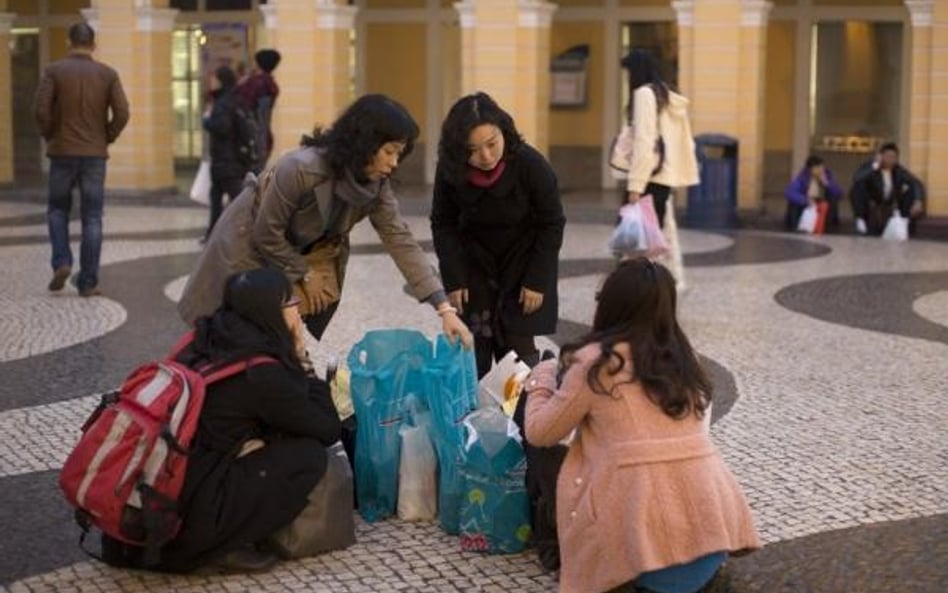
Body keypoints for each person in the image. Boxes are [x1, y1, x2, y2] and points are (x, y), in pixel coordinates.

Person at [524, 258, 760, 593]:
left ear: (610, 305)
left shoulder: (597, 363)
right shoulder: (684, 358)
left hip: (641, 563)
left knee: (554, 464)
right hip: (710, 542)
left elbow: (540, 431)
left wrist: (541, 379)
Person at [178, 93, 472, 349]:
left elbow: (400, 240)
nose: (394, 162)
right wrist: (297, 284)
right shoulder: (300, 169)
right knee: (227, 334)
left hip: (288, 256)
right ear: (365, 143)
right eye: (389, 151)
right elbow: (266, 234)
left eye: (399, 153)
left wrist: (443, 308)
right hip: (246, 245)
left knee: (277, 343)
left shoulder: (375, 185)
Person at [102, 268, 342, 573]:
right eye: (291, 301)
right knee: (306, 456)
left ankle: (207, 532)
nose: (298, 307)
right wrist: (301, 356)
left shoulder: (202, 339)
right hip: (188, 514)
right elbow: (327, 429)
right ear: (273, 312)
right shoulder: (261, 373)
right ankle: (215, 546)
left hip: (156, 493)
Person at [430, 92, 565, 378]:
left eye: (492, 144)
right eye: (473, 149)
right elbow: (443, 223)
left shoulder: (531, 164)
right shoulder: (450, 171)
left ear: (504, 132)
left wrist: (537, 280)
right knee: (473, 346)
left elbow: (552, 223)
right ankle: (472, 415)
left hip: (523, 261)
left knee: (516, 346)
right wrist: (454, 277)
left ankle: (518, 416)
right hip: (474, 263)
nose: (486, 156)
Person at [33, 21, 129, 297]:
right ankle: (88, 282)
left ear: (68, 42)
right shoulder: (108, 74)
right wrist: (106, 137)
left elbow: (40, 109)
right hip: (94, 156)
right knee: (92, 217)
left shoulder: (54, 71)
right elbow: (122, 112)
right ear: (93, 44)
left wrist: (51, 134)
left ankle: (62, 262)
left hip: (62, 152)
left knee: (57, 210)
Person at [619, 49, 699, 228]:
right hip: (664, 178)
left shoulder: (644, 95)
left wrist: (636, 186)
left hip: (649, 178)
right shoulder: (665, 94)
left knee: (631, 243)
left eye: (629, 72)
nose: (627, 78)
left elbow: (645, 141)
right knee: (652, 242)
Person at [202, 66, 252, 241]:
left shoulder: (224, 102)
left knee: (236, 199)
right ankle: (213, 234)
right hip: (230, 158)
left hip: (226, 160)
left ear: (221, 81)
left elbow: (222, 127)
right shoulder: (235, 98)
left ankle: (249, 234)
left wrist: (207, 121)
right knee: (216, 197)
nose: (211, 82)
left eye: (214, 78)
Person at [850, 142, 925, 236]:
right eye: (888, 156)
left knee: (911, 189)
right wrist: (875, 165)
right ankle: (860, 219)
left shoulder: (898, 171)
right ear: (881, 156)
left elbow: (915, 182)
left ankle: (905, 221)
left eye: (894, 157)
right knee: (858, 187)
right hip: (872, 203)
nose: (891, 160)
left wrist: (918, 201)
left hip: (890, 204)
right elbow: (857, 178)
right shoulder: (871, 167)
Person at [236, 49, 281, 172]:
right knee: (258, 172)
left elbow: (239, 101)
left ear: (258, 63)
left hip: (249, 136)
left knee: (249, 175)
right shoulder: (271, 84)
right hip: (264, 135)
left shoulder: (254, 83)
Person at [783, 155, 844, 232]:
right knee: (794, 203)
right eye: (817, 168)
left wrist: (827, 184)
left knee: (832, 198)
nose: (820, 170)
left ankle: (828, 225)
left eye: (822, 168)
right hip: (806, 203)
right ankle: (796, 225)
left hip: (821, 204)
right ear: (810, 169)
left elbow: (839, 193)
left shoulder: (827, 176)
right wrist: (805, 200)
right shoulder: (802, 178)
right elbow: (790, 192)